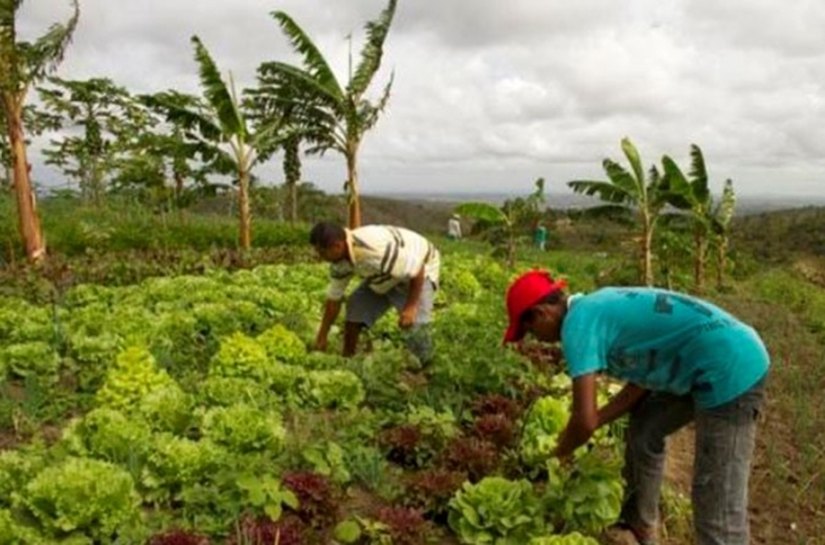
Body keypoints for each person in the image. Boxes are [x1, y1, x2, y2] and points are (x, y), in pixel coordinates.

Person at [503, 270, 770, 545]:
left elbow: (583, 421)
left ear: (541, 313)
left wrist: (559, 453)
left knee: (716, 504)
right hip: (707, 358)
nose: (537, 339)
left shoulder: (577, 325)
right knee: (645, 428)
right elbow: (640, 385)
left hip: (730, 367)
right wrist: (598, 420)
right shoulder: (593, 307)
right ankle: (640, 526)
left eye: (531, 331)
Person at [310, 221, 440, 362]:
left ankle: (426, 365)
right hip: (386, 273)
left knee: (416, 329)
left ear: (337, 246)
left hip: (420, 267)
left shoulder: (373, 250)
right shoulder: (339, 261)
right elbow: (333, 301)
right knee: (356, 305)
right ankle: (348, 358)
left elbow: (417, 269)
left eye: (322, 252)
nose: (320, 256)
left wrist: (410, 307)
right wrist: (322, 336)